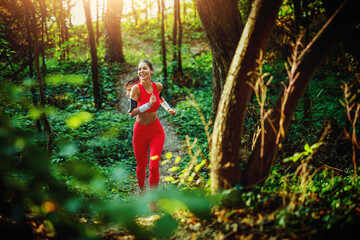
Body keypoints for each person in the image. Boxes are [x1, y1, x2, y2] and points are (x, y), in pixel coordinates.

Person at [124, 60, 176, 210]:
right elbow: (131, 113)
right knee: (141, 167)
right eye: (139, 69)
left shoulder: (157, 86)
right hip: (140, 132)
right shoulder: (136, 89)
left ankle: (152, 199)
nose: (141, 71)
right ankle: (142, 190)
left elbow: (161, 98)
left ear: (151, 71)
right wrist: (147, 104)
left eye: (144, 69)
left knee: (153, 166)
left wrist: (168, 109)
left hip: (156, 131)